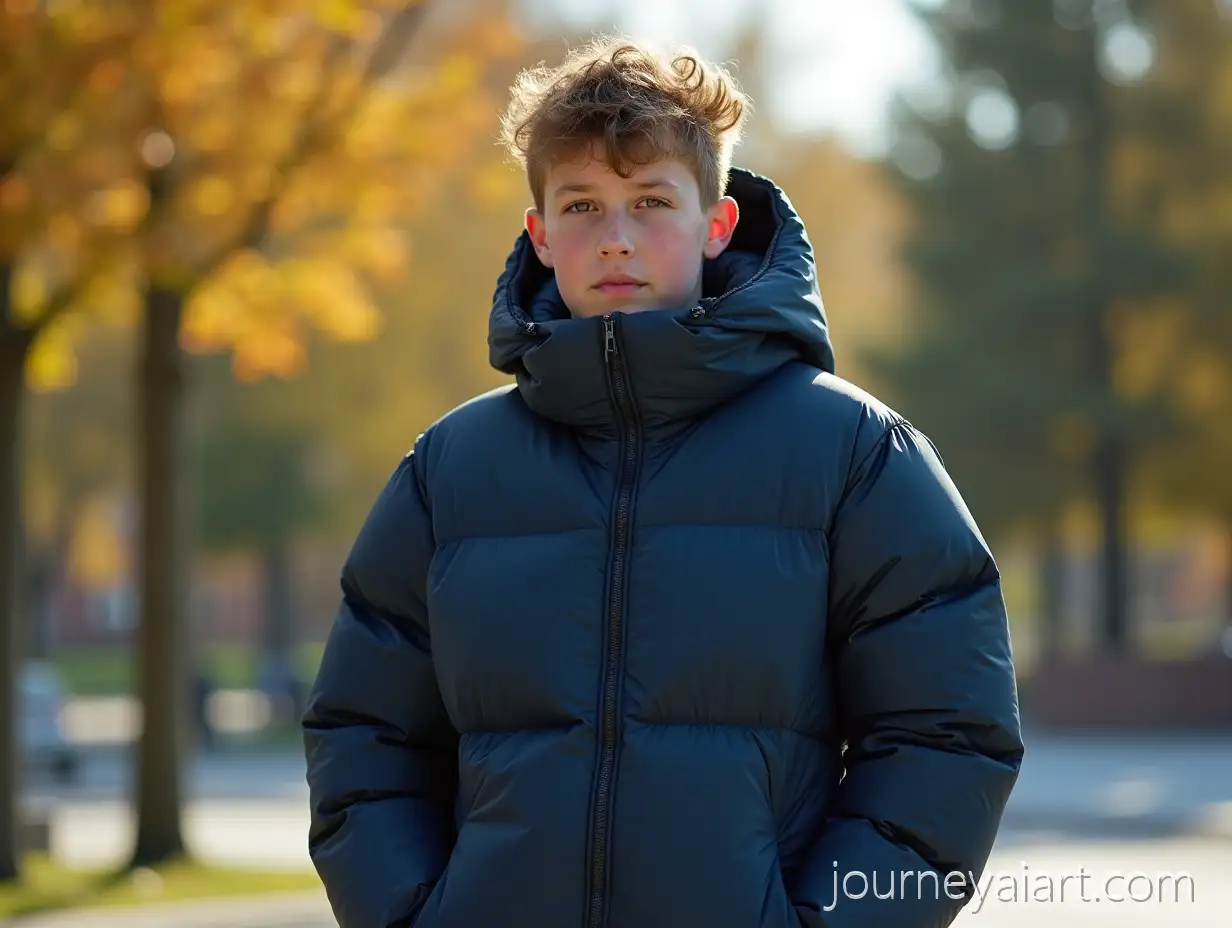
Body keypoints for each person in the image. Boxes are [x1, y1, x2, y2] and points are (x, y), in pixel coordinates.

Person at [302, 35, 1024, 928]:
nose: (615, 238)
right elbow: (364, 736)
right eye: (581, 205)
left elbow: (946, 739)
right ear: (538, 232)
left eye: (650, 201)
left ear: (715, 222)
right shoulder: (449, 473)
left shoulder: (854, 455)